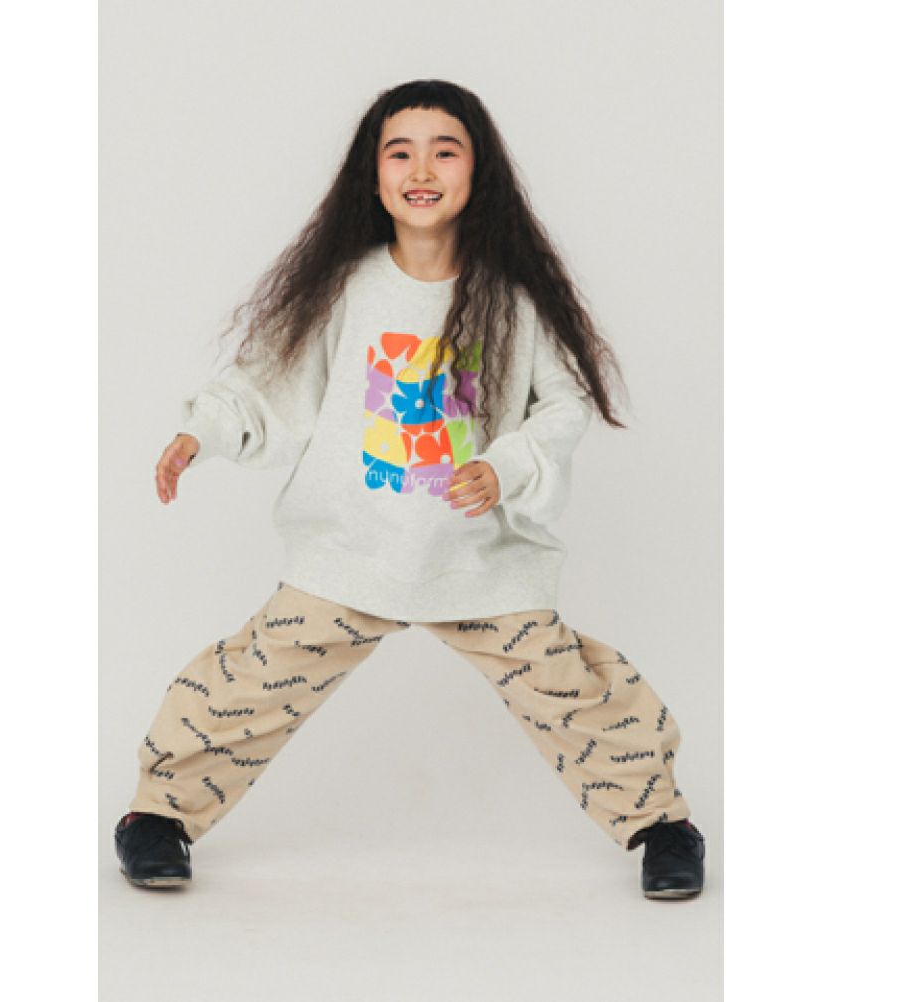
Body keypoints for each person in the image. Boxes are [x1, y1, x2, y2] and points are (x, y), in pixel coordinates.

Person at [113, 79, 706, 900]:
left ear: (478, 171)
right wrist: (200, 433)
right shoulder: (344, 290)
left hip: (478, 560)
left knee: (568, 689)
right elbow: (267, 380)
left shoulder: (511, 299)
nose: (421, 169)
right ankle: (157, 817)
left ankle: (663, 826)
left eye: (445, 151)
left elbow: (563, 405)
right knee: (252, 680)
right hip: (353, 552)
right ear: (374, 174)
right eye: (400, 152)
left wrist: (505, 467)